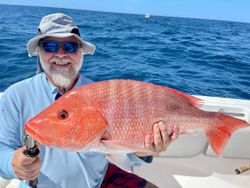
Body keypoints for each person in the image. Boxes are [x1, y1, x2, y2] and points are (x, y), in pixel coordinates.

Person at [0, 13, 179, 188]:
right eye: (50, 46)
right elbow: (2, 150)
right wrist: (13, 164)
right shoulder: (16, 95)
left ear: (81, 53)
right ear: (39, 51)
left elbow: (119, 152)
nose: (61, 54)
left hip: (98, 181)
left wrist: (143, 151)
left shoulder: (100, 93)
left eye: (70, 47)